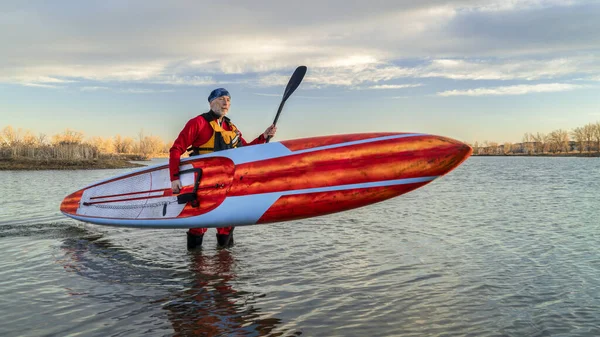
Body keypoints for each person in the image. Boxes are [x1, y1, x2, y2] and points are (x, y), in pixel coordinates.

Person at [169, 88, 277, 249]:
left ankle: (225, 266)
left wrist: (264, 137)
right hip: (204, 184)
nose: (226, 102)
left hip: (228, 184)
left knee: (227, 225)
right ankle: (193, 268)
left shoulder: (231, 127)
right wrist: (175, 178)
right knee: (199, 225)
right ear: (211, 102)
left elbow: (245, 150)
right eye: (221, 99)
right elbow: (176, 149)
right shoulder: (198, 123)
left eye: (228, 99)